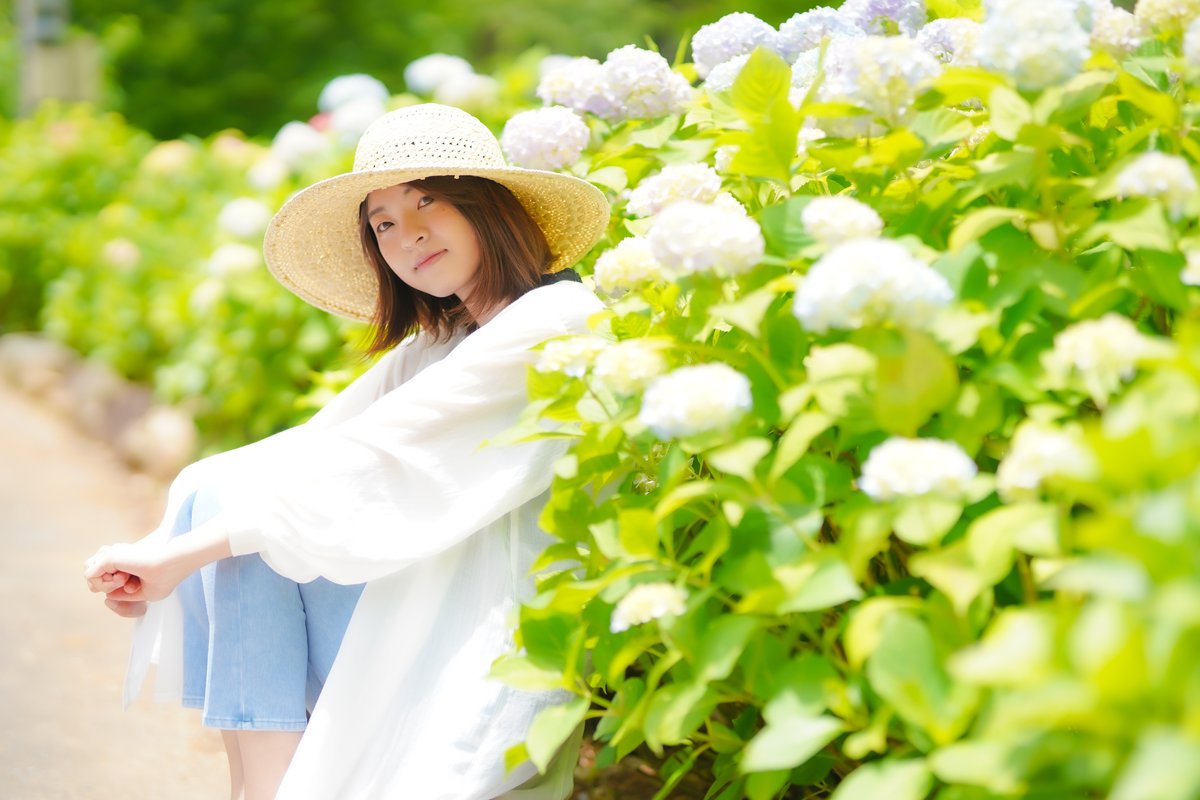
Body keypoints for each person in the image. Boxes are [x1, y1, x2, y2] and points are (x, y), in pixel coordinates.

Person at [83, 103, 610, 799]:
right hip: (419, 610)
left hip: (477, 644)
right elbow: (304, 451)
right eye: (383, 223)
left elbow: (366, 464)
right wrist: (159, 551)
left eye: (427, 201)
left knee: (256, 526)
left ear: (489, 205)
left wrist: (180, 559)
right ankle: (258, 785)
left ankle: (261, 788)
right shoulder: (444, 342)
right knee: (229, 499)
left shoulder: (556, 323)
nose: (408, 234)